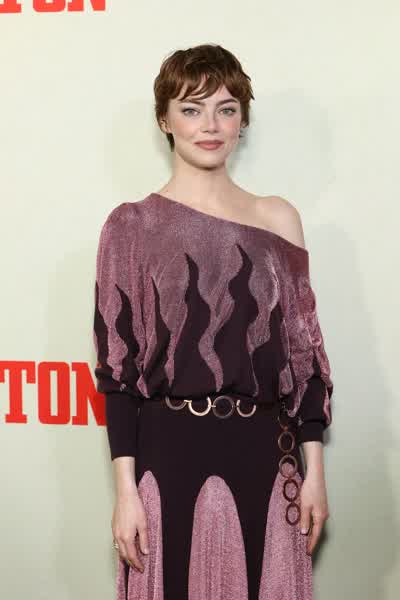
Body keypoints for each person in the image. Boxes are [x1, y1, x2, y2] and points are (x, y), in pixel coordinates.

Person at [93, 43, 334, 600]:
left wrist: (315, 472)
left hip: (265, 455)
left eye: (226, 109)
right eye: (191, 108)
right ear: (164, 120)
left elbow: (306, 355)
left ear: (242, 121)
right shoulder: (130, 227)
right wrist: (125, 492)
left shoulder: (277, 218)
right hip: (167, 457)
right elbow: (118, 372)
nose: (210, 125)